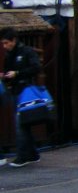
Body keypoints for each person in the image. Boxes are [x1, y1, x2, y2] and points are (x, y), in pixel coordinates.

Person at [1, 27, 42, 166]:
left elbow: (36, 68)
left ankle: (22, 156)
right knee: (24, 124)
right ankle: (33, 154)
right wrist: (5, 76)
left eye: (7, 43)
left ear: (14, 40)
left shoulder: (26, 52)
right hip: (15, 91)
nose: (5, 46)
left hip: (26, 91)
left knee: (21, 124)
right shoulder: (9, 55)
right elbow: (8, 72)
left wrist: (17, 73)